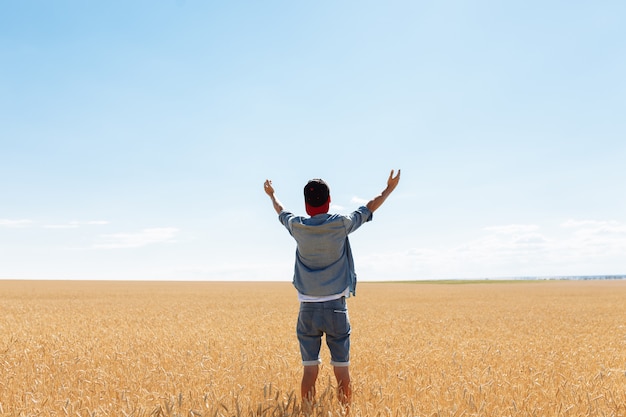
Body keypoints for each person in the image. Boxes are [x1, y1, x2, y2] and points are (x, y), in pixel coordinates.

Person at [263, 170, 401, 412]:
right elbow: (368, 207)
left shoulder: (297, 225)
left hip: (307, 310)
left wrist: (271, 195)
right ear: (329, 201)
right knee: (342, 370)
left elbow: (280, 211)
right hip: (337, 308)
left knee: (309, 369)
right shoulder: (340, 224)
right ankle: (345, 412)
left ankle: (306, 412)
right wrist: (389, 189)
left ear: (306, 205)